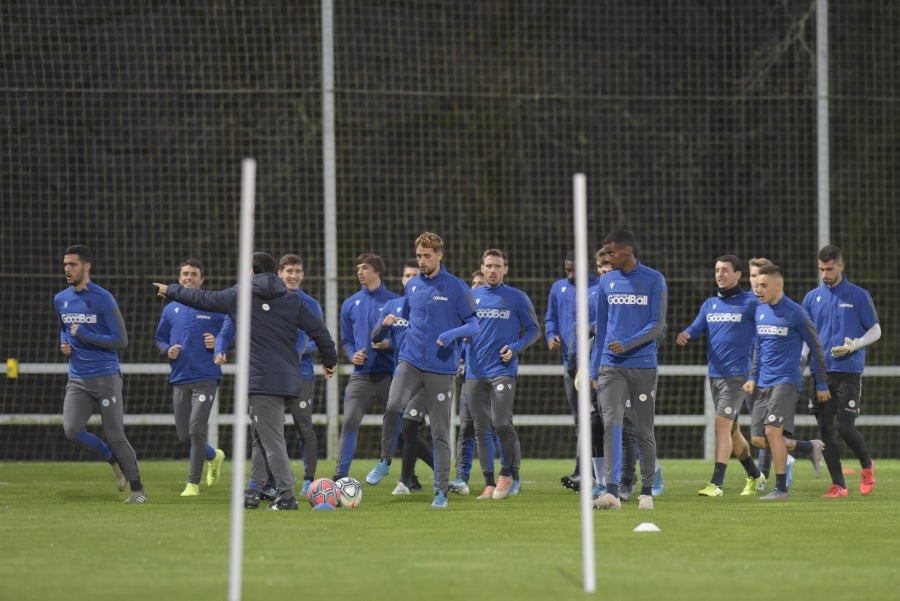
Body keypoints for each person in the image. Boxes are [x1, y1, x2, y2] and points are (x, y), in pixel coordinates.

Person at [154, 251, 338, 510]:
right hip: (288, 378)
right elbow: (320, 331)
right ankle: (254, 491)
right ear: (275, 272)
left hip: (262, 381)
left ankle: (286, 496)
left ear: (251, 271)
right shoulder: (292, 300)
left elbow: (203, 298)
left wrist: (171, 290)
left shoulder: (241, 295)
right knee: (260, 436)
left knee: (271, 439)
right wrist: (330, 360)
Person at [367, 232, 477, 508]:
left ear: (439, 255)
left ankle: (441, 491)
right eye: (419, 256)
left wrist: (450, 335)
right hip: (410, 360)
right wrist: (386, 325)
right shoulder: (413, 286)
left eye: (427, 256)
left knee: (440, 431)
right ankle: (385, 461)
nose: (422, 260)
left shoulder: (456, 287)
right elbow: (406, 315)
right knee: (393, 405)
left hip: (441, 368)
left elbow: (474, 325)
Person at [54, 245, 147, 503]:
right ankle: (113, 460)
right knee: (72, 429)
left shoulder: (103, 298)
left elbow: (121, 341)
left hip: (106, 377)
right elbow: (64, 329)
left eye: (73, 264)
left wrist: (84, 334)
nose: (67, 269)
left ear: (86, 267)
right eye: (65, 264)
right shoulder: (61, 299)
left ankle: (139, 491)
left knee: (115, 435)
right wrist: (64, 344)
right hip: (77, 379)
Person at [675, 255, 766, 496]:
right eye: (717, 270)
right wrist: (686, 334)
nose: (720, 274)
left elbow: (766, 332)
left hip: (738, 376)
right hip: (715, 375)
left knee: (721, 425)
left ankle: (716, 484)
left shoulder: (751, 303)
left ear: (738, 275)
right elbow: (695, 328)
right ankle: (755, 475)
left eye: (725, 270)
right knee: (732, 431)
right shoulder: (710, 304)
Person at [591, 230, 666, 511]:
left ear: (627, 251)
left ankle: (646, 490)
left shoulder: (654, 279)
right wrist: (594, 368)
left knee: (644, 429)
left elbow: (657, 325)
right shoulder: (606, 282)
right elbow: (601, 327)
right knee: (612, 424)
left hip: (643, 366)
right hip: (611, 366)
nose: (607, 258)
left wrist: (627, 344)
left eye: (611, 252)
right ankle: (611, 491)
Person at [742, 264, 828, 501]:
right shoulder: (761, 311)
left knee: (772, 431)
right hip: (763, 383)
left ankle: (781, 489)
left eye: (764, 286)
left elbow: (816, 346)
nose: (758, 289)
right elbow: (759, 348)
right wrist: (752, 377)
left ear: (778, 286)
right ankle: (808, 447)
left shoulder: (795, 313)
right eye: (757, 285)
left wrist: (821, 383)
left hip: (786, 381)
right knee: (759, 439)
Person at [459, 249, 540, 500]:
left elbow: (534, 330)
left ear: (506, 269)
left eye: (497, 266)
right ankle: (488, 483)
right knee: (481, 428)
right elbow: (461, 330)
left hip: (502, 371)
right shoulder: (470, 297)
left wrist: (514, 348)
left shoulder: (517, 297)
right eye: (488, 266)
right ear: (482, 268)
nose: (492, 270)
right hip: (475, 373)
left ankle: (508, 473)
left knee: (502, 423)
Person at [801, 245, 881, 497]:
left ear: (841, 266)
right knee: (825, 431)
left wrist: (856, 344)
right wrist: (800, 362)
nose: (825, 274)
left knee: (846, 428)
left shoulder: (858, 295)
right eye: (821, 269)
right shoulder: (811, 298)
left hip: (848, 371)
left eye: (829, 269)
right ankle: (839, 485)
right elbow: (807, 337)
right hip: (820, 374)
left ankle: (867, 465)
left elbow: (876, 329)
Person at [154, 258, 226, 497]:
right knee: (184, 435)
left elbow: (234, 333)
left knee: (196, 429)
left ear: (201, 280)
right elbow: (159, 338)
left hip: (206, 377)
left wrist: (219, 342)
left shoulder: (213, 306)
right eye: (185, 274)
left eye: (194, 274)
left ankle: (192, 484)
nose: (189, 278)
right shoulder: (170, 309)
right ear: (179, 278)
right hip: (180, 377)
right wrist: (167, 350)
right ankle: (213, 456)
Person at [366, 259, 434, 490]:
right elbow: (375, 338)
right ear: (402, 280)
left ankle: (408, 479)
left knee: (409, 428)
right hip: (402, 376)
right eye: (408, 276)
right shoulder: (392, 306)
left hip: (426, 377)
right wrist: (384, 326)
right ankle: (396, 469)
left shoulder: (433, 307)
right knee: (405, 426)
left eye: (417, 276)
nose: (412, 280)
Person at [334, 253, 400, 481]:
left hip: (390, 376)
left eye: (364, 268)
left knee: (405, 428)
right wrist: (352, 355)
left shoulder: (395, 301)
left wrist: (389, 344)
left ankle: (410, 476)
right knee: (349, 422)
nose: (359, 272)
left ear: (377, 271)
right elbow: (346, 340)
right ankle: (340, 475)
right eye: (358, 268)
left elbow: (408, 337)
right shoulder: (350, 303)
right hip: (361, 377)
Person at [545, 251, 600, 490]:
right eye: (566, 270)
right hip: (571, 363)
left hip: (594, 362)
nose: (569, 275)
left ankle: (594, 473)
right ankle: (585, 472)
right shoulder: (558, 288)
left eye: (573, 270)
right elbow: (550, 318)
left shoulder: (599, 287)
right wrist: (551, 335)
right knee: (581, 420)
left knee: (599, 420)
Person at [449, 267, 501, 496]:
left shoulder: (494, 313)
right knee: (466, 428)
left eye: (481, 284)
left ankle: (507, 475)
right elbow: (460, 342)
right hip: (470, 378)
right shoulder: (466, 313)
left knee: (497, 427)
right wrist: (458, 361)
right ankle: (462, 478)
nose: (477, 287)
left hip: (492, 377)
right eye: (474, 284)